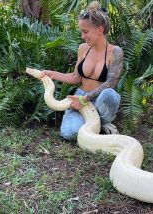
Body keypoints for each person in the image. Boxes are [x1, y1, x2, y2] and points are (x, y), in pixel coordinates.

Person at [40, 1, 123, 140]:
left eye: (85, 31)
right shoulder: (83, 48)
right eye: (81, 32)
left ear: (100, 30)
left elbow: (111, 83)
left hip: (99, 99)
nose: (82, 36)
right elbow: (75, 78)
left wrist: (85, 99)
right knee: (69, 133)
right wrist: (52, 74)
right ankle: (98, 125)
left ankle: (101, 121)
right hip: (80, 96)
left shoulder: (115, 52)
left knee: (110, 95)